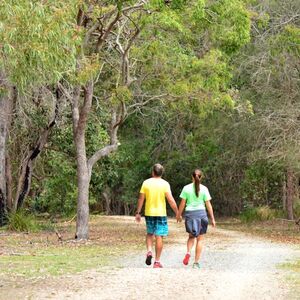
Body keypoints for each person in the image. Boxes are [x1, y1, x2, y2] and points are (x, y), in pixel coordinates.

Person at [135, 163, 178, 268]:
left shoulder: (146, 183)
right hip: (161, 214)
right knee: (159, 236)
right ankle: (157, 262)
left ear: (152, 172)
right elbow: (171, 200)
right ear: (161, 173)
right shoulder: (165, 184)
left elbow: (141, 198)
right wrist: (178, 212)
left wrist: (138, 212)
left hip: (149, 213)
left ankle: (149, 251)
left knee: (150, 233)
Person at [176, 169, 216, 269]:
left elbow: (182, 203)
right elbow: (208, 205)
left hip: (190, 214)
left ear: (192, 177)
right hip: (201, 214)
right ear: (201, 177)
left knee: (191, 237)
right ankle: (196, 263)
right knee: (200, 239)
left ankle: (188, 252)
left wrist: (179, 214)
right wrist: (212, 218)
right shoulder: (204, 189)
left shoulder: (186, 188)